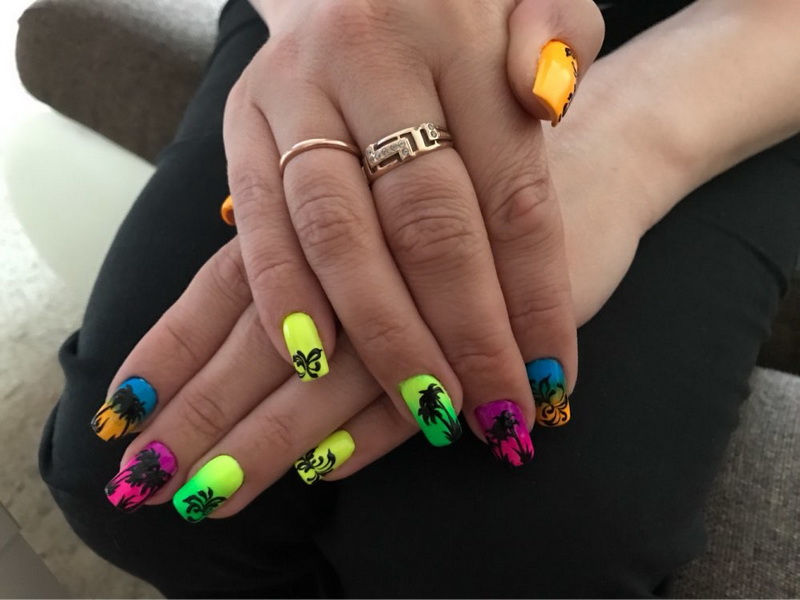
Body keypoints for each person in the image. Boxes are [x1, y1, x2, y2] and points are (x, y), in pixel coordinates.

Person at [39, 0, 800, 596]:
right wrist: (336, 20)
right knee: (130, 481)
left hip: (737, 44)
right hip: (329, 21)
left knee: (518, 553)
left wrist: (621, 135)